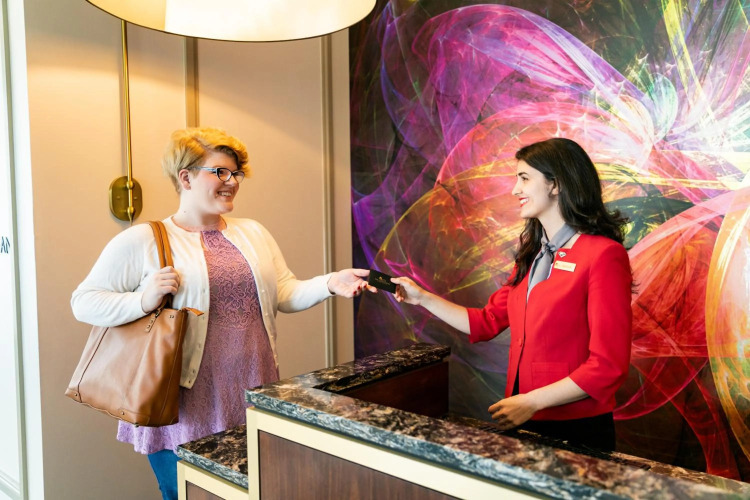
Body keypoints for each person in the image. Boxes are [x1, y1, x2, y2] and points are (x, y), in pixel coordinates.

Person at [71, 127, 373, 499]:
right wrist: (143, 301)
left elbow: (284, 292)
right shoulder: (144, 239)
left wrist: (330, 282)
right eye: (220, 172)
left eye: (236, 173)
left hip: (252, 388)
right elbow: (83, 301)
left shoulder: (253, 233)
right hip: (184, 405)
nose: (232, 182)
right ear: (185, 177)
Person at [392, 137, 632, 451]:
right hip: (522, 415)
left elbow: (608, 365)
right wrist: (421, 297)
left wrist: (532, 401)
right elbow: (485, 322)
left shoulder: (603, 255)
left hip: (576, 427)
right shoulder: (532, 256)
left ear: (556, 184)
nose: (515, 190)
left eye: (524, 178)